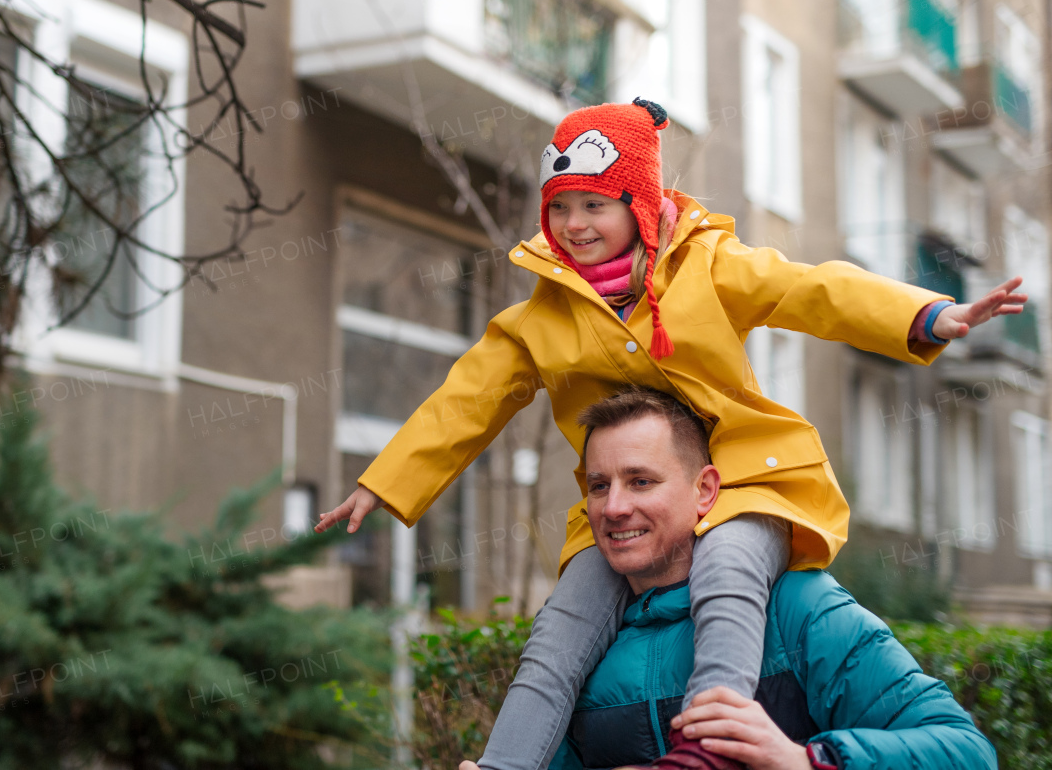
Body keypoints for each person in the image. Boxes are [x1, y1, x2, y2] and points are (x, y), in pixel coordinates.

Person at [316, 99, 1024, 770]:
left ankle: (710, 740)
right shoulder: (541, 316)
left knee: (728, 569)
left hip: (746, 479)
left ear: (639, 205)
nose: (575, 223)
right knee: (562, 628)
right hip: (636, 483)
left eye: (595, 204)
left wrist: (926, 316)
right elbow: (464, 400)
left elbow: (809, 289)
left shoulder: (707, 268)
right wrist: (385, 482)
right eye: (559, 207)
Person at [518, 387, 993, 769]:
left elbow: (967, 752)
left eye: (641, 481)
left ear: (705, 490)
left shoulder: (799, 608)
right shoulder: (581, 646)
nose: (615, 507)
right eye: (600, 486)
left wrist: (804, 759)